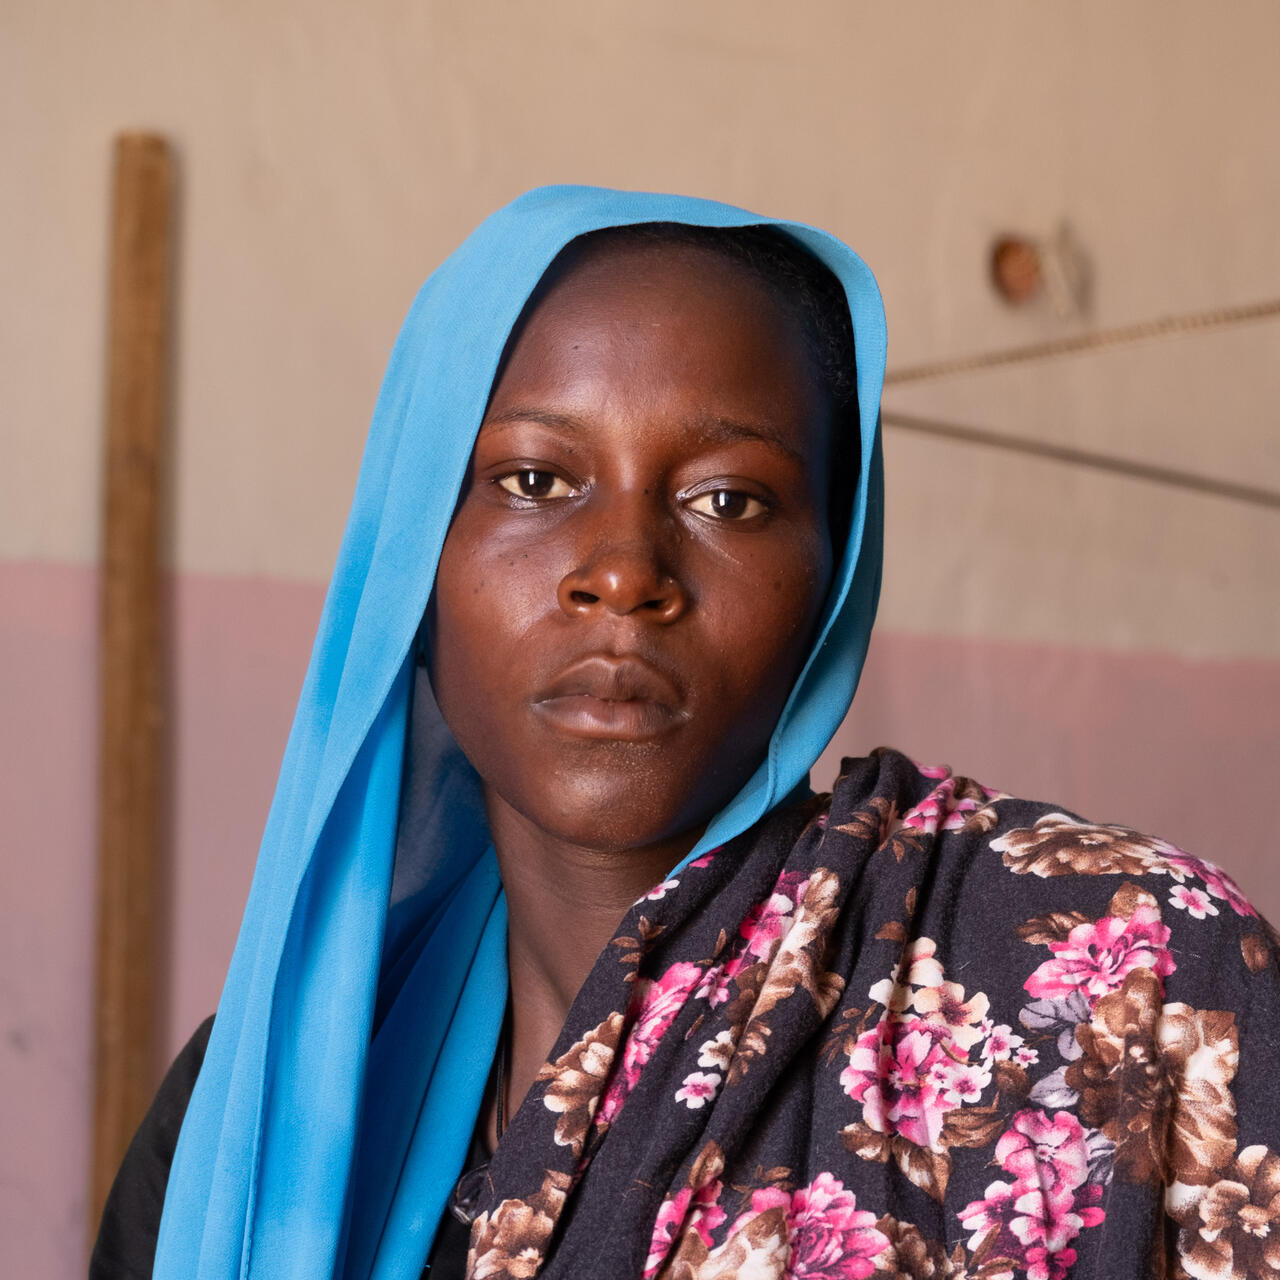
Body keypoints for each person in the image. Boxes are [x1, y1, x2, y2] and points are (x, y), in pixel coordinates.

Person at [92, 187, 1280, 1280]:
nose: (622, 572)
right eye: (533, 481)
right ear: (411, 560)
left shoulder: (1126, 981)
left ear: (831, 575)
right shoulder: (261, 1110)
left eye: (727, 499)